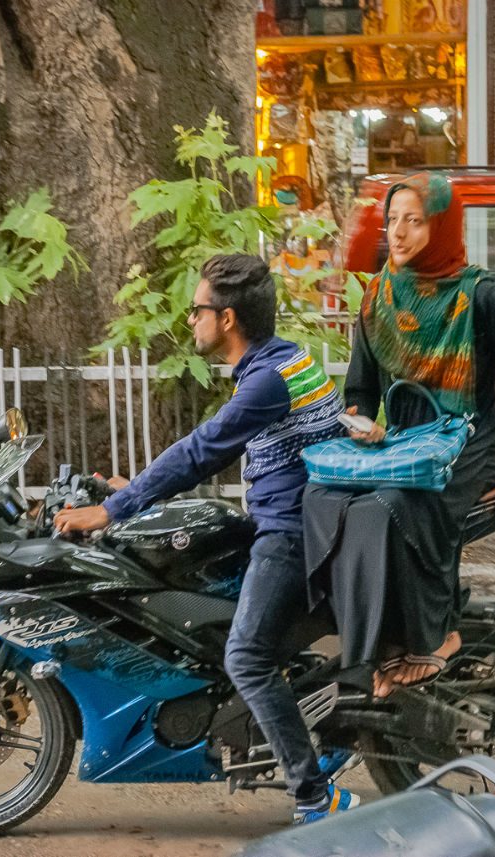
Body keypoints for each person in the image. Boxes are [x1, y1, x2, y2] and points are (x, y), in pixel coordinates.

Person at [53, 253, 358, 825]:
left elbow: (202, 450)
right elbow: (211, 453)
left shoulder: (267, 381)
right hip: (301, 516)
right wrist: (139, 492)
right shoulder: (288, 360)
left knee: (246, 656)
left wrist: (113, 509)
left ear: (228, 318)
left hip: (293, 532)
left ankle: (316, 795)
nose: (191, 320)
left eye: (197, 310)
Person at [303, 173, 495, 698]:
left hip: (469, 449)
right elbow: (361, 388)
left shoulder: (479, 296)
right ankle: (373, 645)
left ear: (440, 226)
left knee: (391, 507)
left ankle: (437, 637)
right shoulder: (377, 296)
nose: (398, 233)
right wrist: (362, 420)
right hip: (402, 449)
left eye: (414, 221)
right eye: (392, 220)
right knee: (325, 501)